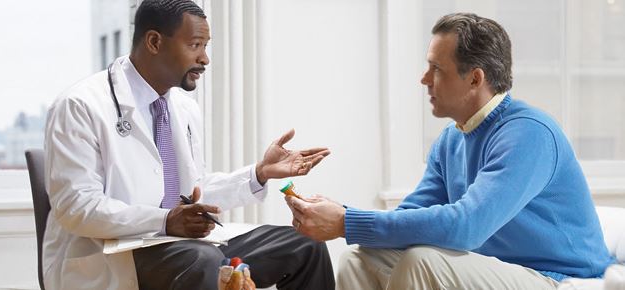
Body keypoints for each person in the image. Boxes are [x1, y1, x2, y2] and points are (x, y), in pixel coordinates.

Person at [285, 12, 615, 290]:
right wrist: (339, 215)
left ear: (475, 79)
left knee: (422, 262)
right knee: (361, 258)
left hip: (559, 278)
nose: (424, 79)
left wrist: (346, 222)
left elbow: (465, 227)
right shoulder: (452, 138)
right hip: (498, 267)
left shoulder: (528, 134)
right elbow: (411, 214)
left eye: (436, 69)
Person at [43, 1, 335, 289]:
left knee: (304, 245)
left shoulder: (182, 107)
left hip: (181, 247)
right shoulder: (80, 105)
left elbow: (193, 192)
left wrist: (259, 173)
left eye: (205, 46)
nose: (205, 58)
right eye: (195, 45)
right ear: (155, 42)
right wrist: (165, 221)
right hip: (114, 255)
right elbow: (77, 207)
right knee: (203, 259)